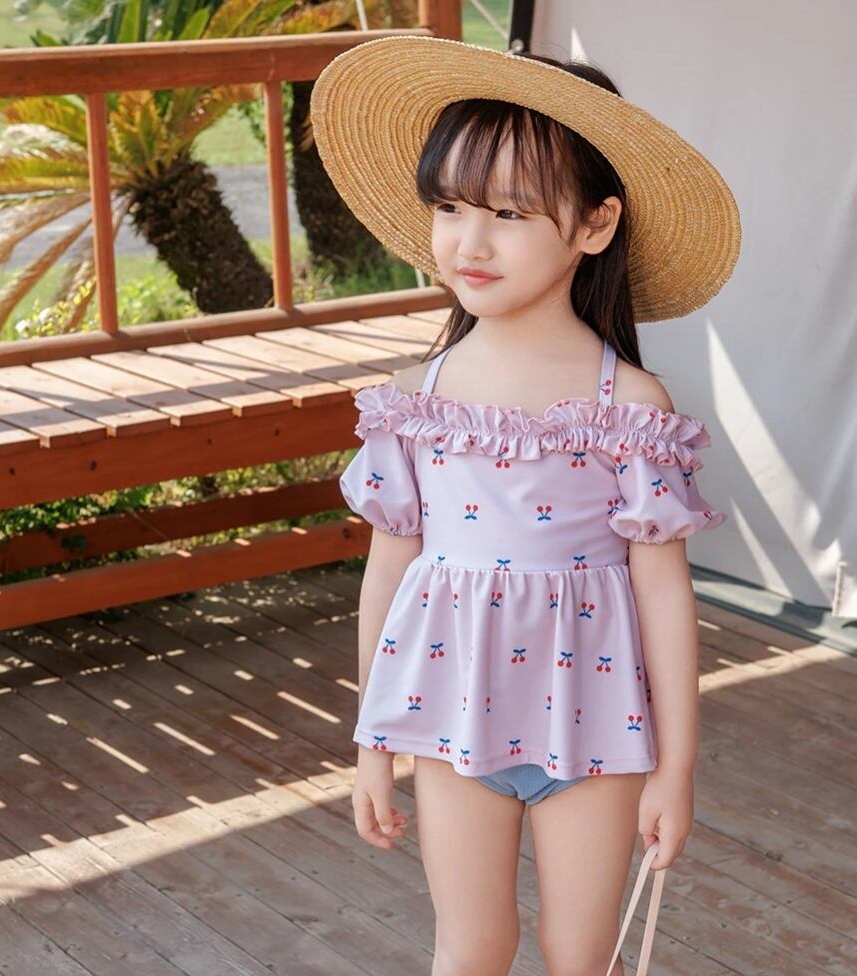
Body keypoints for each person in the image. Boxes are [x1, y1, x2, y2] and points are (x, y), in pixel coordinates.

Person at [311, 36, 740, 976]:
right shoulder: (415, 400)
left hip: (599, 729)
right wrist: (373, 743)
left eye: (508, 213)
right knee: (470, 948)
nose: (470, 242)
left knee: (580, 955)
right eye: (451, 207)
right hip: (453, 722)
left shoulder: (631, 409)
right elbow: (388, 575)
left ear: (595, 225)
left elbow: (664, 594)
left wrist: (676, 768)